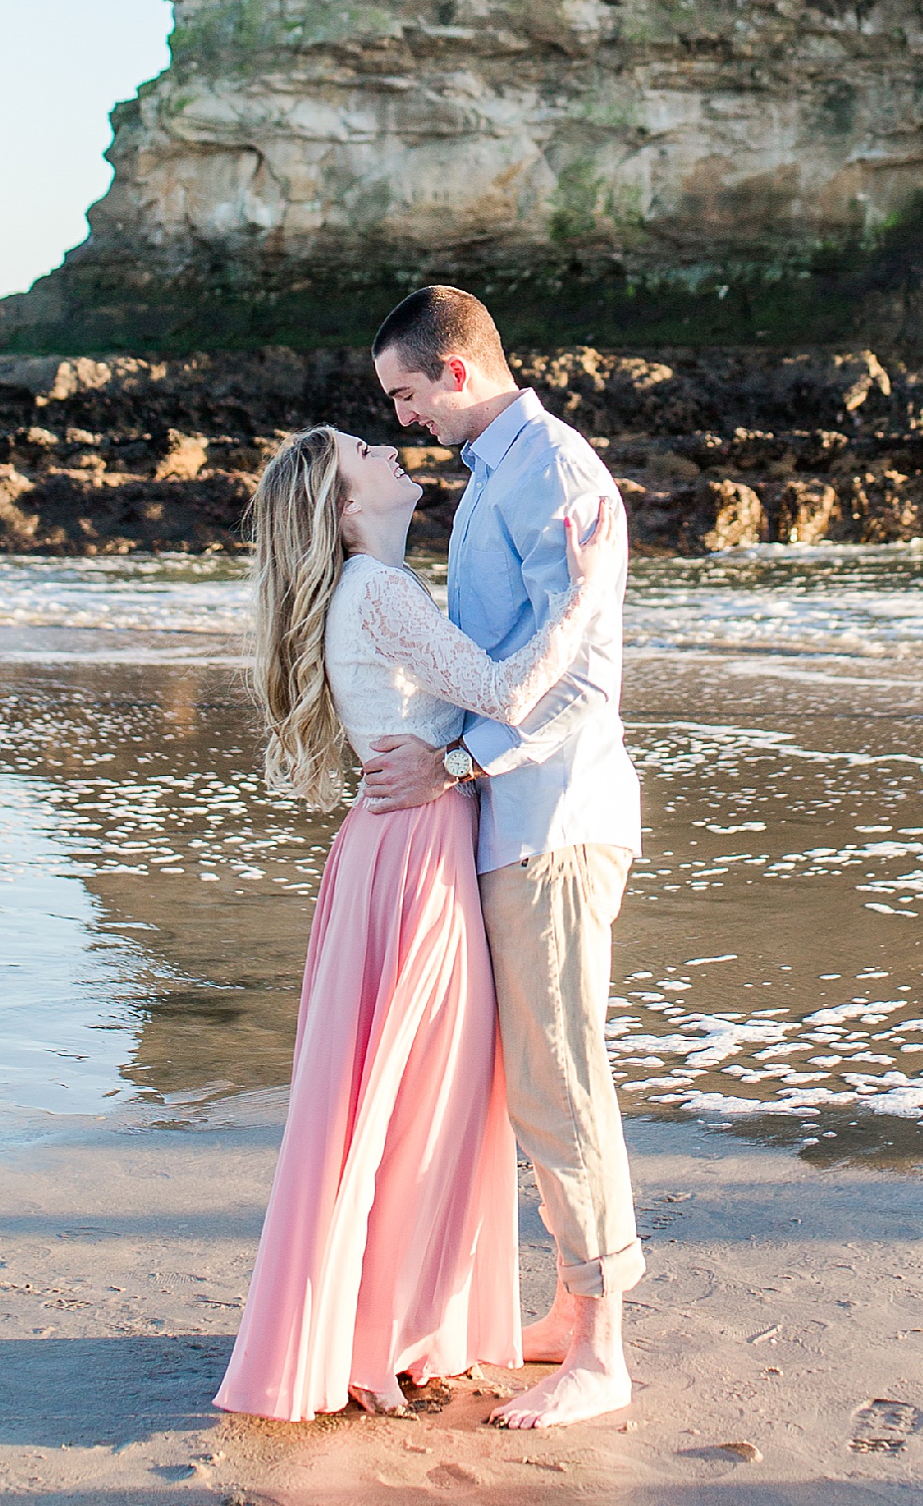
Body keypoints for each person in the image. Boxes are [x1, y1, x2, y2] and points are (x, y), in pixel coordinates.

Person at [213, 422, 622, 1425]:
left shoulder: (370, 594)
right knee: (422, 1097)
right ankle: (384, 1335)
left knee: (392, 1094)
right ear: (346, 508)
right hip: (423, 844)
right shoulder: (383, 593)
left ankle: (379, 1325)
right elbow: (511, 692)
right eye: (365, 449)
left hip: (389, 846)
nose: (388, 445)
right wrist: (581, 594)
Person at [362, 283, 642, 1430]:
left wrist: (457, 767)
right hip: (509, 822)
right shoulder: (493, 475)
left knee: (560, 1074)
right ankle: (575, 1312)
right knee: (528, 1077)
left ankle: (606, 1344)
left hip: (555, 821)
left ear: (458, 369)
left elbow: (576, 680)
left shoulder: (558, 476)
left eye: (407, 392)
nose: (403, 417)